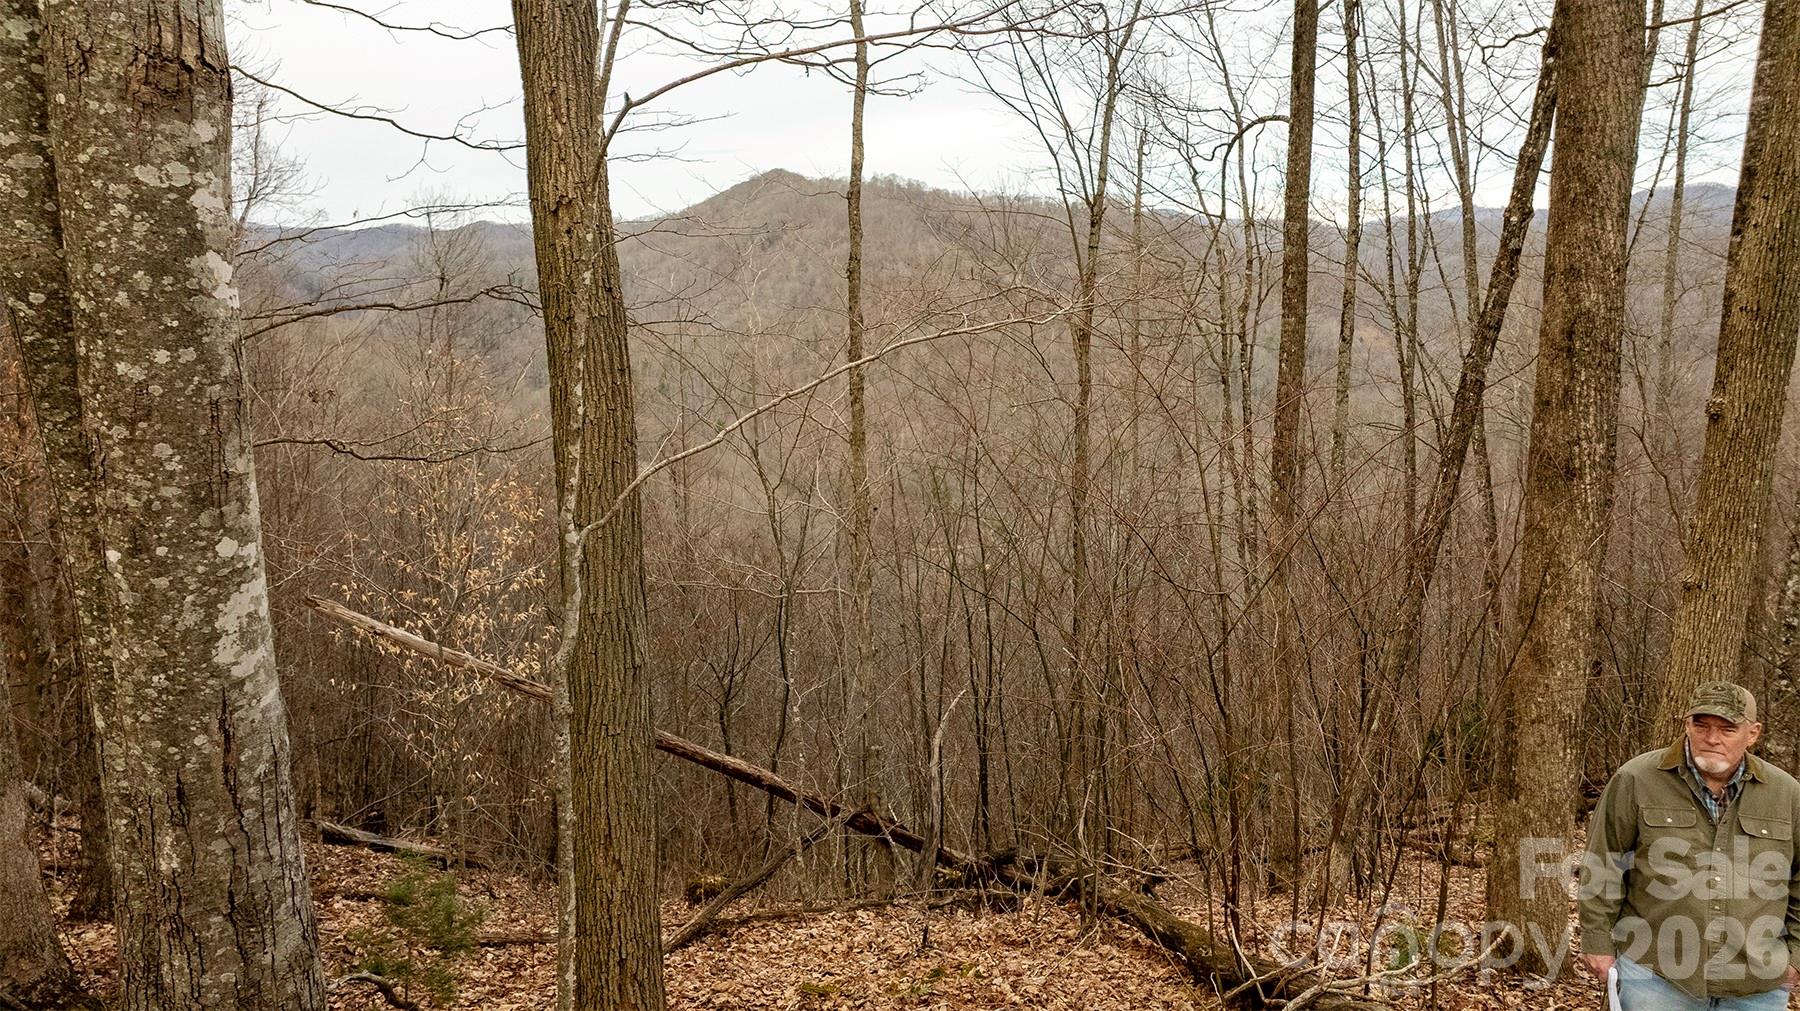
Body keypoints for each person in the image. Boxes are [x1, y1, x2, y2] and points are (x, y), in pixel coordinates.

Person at [1577, 680, 1800, 1009]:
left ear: (1752, 733)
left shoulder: (1787, 794)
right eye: (1702, 725)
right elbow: (1603, 864)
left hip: (1756, 982)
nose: (1712, 739)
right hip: (1655, 975)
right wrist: (1596, 940)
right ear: (1687, 725)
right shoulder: (1637, 780)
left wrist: (1796, 955)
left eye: (1727, 729)